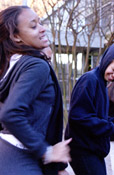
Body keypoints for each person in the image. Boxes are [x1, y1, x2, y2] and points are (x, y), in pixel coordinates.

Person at [0, 6, 71, 175]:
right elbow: (10, 114)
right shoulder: (36, 65)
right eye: (33, 26)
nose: (42, 28)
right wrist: (47, 152)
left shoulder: (11, 64)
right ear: (15, 37)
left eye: (40, 23)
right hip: (20, 157)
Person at [65, 42, 114, 175]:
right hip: (82, 149)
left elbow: (95, 115)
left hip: (91, 149)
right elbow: (79, 117)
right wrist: (112, 128)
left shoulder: (101, 82)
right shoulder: (90, 80)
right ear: (107, 61)